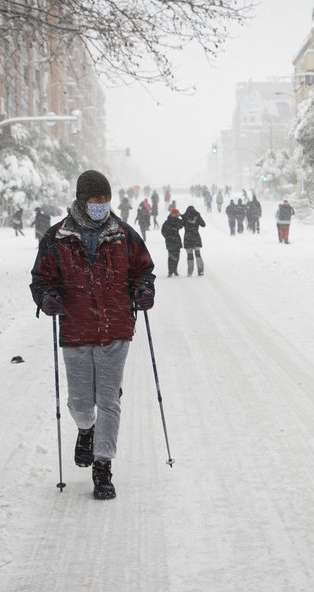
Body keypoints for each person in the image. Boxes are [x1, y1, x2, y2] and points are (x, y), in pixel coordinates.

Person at [30, 170, 155, 501]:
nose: (101, 206)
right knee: (82, 403)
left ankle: (103, 467)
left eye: (105, 201)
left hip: (116, 327)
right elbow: (40, 278)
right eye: (95, 201)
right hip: (76, 328)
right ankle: (86, 429)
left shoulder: (124, 235)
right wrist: (47, 297)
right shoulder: (57, 237)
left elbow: (144, 268)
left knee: (109, 400)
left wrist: (144, 289)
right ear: (81, 200)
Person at [181, 205, 206, 276]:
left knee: (190, 256)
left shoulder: (184, 217)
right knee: (198, 254)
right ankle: (200, 271)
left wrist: (181, 217)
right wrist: (198, 216)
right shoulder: (197, 216)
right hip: (196, 238)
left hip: (187, 238)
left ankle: (190, 272)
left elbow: (180, 225)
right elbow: (203, 224)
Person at [161, 207, 184, 277]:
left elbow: (183, 224)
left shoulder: (175, 220)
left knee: (174, 256)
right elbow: (163, 231)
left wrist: (181, 215)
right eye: (177, 214)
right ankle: (171, 271)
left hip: (174, 241)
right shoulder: (168, 222)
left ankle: (173, 270)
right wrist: (168, 237)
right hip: (173, 241)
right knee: (173, 256)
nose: (177, 215)